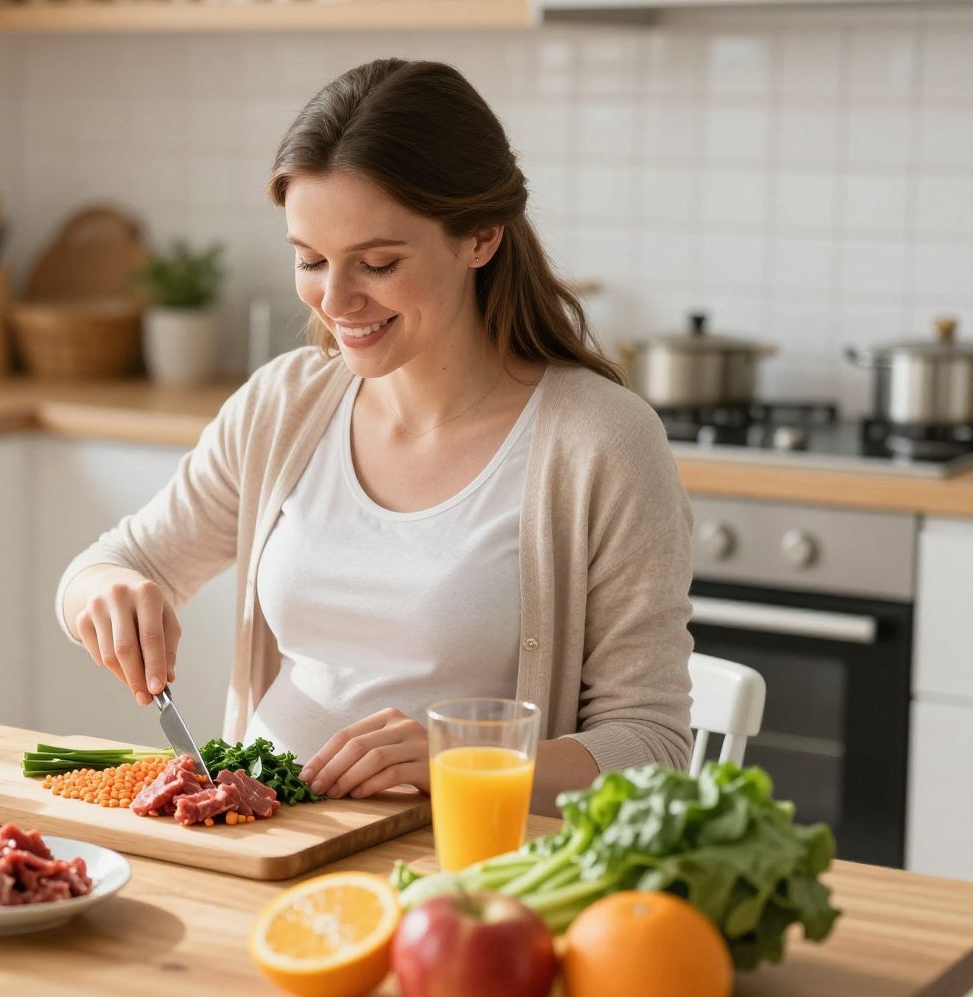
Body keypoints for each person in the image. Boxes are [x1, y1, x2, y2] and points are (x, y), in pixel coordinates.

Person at [55, 58, 693, 815]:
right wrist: (106, 592)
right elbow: (115, 562)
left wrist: (459, 757)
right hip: (267, 837)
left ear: (481, 236)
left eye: (379, 264)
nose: (335, 301)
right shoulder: (283, 406)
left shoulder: (600, 444)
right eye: (309, 260)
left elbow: (652, 746)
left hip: (460, 874)